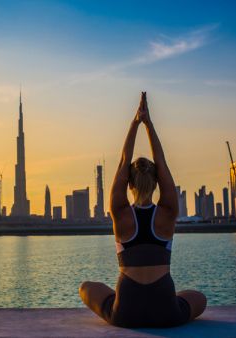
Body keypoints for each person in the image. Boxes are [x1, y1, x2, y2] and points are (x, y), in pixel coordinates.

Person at [79, 92, 207, 328]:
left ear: (129, 183)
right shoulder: (167, 212)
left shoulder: (120, 213)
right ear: (157, 182)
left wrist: (135, 121)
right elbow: (162, 161)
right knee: (200, 298)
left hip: (126, 312)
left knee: (86, 287)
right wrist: (148, 123)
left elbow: (123, 160)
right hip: (166, 311)